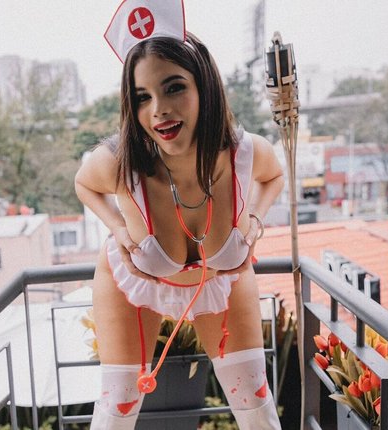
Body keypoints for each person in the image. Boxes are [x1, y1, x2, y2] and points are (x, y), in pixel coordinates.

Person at [75, 1, 284, 428]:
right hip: (131, 285)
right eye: (143, 97)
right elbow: (84, 184)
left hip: (222, 283)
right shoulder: (119, 163)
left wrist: (255, 223)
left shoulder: (244, 154)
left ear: (204, 86)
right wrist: (118, 229)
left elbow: (275, 176)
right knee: (116, 413)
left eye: (173, 88)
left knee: (258, 410)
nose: (159, 110)